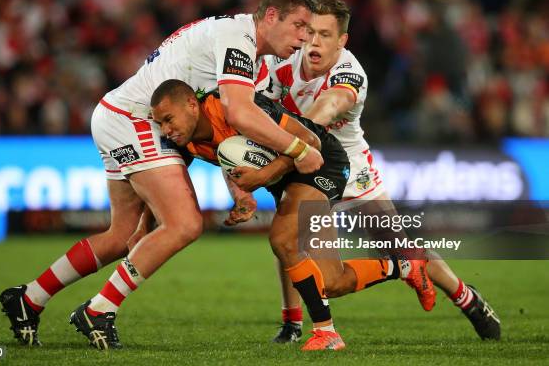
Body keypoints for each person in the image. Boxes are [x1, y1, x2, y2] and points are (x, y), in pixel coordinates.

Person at [0, 0, 322, 349]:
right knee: (183, 223)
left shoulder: (246, 51)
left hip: (120, 113)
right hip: (139, 119)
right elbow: (239, 112)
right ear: (272, 16)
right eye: (299, 25)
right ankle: (99, 310)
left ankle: (28, 299)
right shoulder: (238, 38)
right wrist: (298, 148)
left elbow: (220, 127)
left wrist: (237, 186)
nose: (304, 37)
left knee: (123, 236)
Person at [241, 0, 500, 342]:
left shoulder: (351, 73)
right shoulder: (283, 60)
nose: (314, 42)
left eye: (325, 35)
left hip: (348, 165)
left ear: (342, 41)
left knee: (400, 246)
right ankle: (292, 323)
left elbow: (328, 105)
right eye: (310, 32)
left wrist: (290, 146)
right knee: (289, 237)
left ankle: (467, 298)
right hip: (305, 162)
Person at [150, 79, 435, 351]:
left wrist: (262, 176)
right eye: (159, 123)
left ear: (191, 104)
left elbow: (309, 140)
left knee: (283, 239)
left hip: (322, 162)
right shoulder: (185, 142)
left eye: (168, 119)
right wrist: (242, 196)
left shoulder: (233, 107)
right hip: (286, 178)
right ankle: (406, 266)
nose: (165, 130)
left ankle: (326, 334)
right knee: (332, 282)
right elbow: (229, 155)